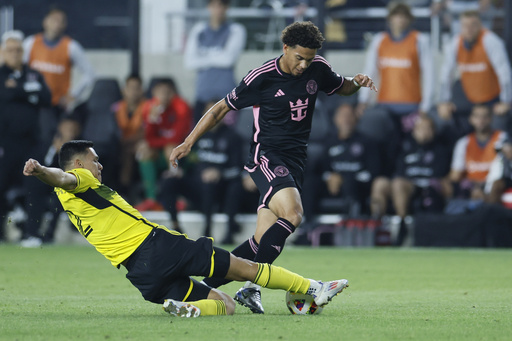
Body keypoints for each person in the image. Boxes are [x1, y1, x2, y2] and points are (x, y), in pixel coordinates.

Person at [170, 21, 376, 314]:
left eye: (309, 58)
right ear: (285, 48)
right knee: (293, 214)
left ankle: (198, 287)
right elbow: (219, 109)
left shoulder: (318, 67)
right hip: (266, 156)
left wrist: (357, 82)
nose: (304, 65)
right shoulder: (261, 77)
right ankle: (264, 287)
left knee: (259, 242)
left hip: (295, 161)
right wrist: (189, 141)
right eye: (299, 57)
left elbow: (340, 87)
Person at [22, 140, 349, 317]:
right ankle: (312, 287)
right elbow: (61, 175)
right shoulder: (79, 180)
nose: (100, 165)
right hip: (159, 248)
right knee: (246, 269)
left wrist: (45, 175)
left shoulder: (68, 200)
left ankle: (186, 308)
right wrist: (40, 170)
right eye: (95, 160)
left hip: (141, 274)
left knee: (225, 304)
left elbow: (59, 181)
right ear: (79, 165)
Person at [159, 101, 244, 242]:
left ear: (224, 114)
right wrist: (178, 170)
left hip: (220, 188)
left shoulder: (233, 137)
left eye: (216, 113)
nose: (212, 116)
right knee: (168, 181)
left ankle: (208, 233)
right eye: (209, 113)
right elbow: (186, 162)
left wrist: (219, 173)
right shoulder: (196, 136)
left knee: (210, 183)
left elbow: (238, 169)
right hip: (196, 186)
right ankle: (175, 227)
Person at [0, 30, 52, 245]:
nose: (15, 53)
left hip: (31, 141)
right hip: (4, 142)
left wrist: (18, 89)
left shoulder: (34, 73)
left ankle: (31, 233)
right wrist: (28, 92)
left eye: (18, 50)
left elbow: (46, 98)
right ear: (3, 52)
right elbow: (6, 95)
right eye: (10, 50)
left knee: (35, 187)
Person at [356, 2, 434, 140]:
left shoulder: (419, 40)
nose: (400, 20)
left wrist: (425, 106)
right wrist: (364, 99)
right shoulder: (379, 41)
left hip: (412, 107)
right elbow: (369, 71)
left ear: (409, 19)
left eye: (404, 16)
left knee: (409, 146)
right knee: (387, 147)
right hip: (385, 106)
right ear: (390, 19)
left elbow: (429, 74)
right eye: (397, 16)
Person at [23, 7, 95, 146]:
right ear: (45, 22)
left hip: (57, 105)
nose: (57, 24)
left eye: (61, 21)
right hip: (32, 103)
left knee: (54, 141)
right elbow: (20, 69)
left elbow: (90, 74)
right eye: (54, 20)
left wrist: (74, 94)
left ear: (65, 25)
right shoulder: (31, 43)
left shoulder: (71, 46)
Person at [302, 103, 381, 221]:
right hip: (332, 185)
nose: (346, 120)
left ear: (356, 118)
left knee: (349, 184)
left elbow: (373, 172)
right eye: (342, 116)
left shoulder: (368, 142)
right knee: (309, 183)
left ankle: (349, 225)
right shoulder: (328, 141)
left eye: (349, 116)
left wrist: (343, 178)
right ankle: (307, 225)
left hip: (356, 186)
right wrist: (329, 177)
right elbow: (321, 168)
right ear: (335, 120)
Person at [437, 10, 512, 128]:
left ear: (480, 25)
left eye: (473, 25)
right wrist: (443, 101)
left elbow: (504, 73)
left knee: (500, 124)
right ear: (460, 27)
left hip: (492, 98)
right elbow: (446, 74)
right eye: (465, 25)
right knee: (444, 116)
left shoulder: (491, 41)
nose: (469, 29)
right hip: (470, 97)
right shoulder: (455, 44)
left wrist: (506, 102)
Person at [389, 115, 452, 245]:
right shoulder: (405, 148)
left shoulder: (441, 149)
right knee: (397, 183)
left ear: (434, 131)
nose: (423, 132)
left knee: (447, 185)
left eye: (427, 128)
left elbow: (443, 174)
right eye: (420, 128)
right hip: (411, 186)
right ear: (414, 131)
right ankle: (402, 224)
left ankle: (444, 230)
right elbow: (400, 172)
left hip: (433, 186)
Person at [184, 0, 247, 123]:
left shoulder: (236, 29)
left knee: (227, 138)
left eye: (222, 5)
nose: (218, 9)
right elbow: (189, 62)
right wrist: (218, 54)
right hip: (202, 95)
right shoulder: (199, 30)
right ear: (209, 7)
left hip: (227, 97)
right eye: (215, 5)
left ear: (227, 8)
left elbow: (228, 60)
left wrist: (203, 56)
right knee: (199, 139)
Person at [135, 78, 192, 211]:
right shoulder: (149, 107)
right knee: (144, 150)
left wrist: (158, 142)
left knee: (171, 148)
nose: (163, 96)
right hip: (161, 151)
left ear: (173, 93)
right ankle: (151, 199)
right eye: (159, 92)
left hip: (185, 153)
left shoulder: (181, 107)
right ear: (153, 93)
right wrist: (152, 120)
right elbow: (149, 138)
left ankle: (177, 198)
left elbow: (178, 138)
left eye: (167, 92)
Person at [450, 104, 506, 200]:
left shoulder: (502, 138)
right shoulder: (463, 143)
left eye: (485, 116)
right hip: (470, 186)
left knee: (497, 184)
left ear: (491, 118)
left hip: (494, 186)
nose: (481, 120)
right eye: (477, 116)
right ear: (471, 119)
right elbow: (455, 175)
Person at [113, 74, 146, 198]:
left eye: (137, 88)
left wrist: (126, 141)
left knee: (131, 152)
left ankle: (125, 191)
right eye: (130, 88)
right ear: (124, 90)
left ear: (142, 90)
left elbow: (146, 131)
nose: (134, 92)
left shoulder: (148, 107)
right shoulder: (115, 108)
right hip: (119, 145)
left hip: (138, 144)